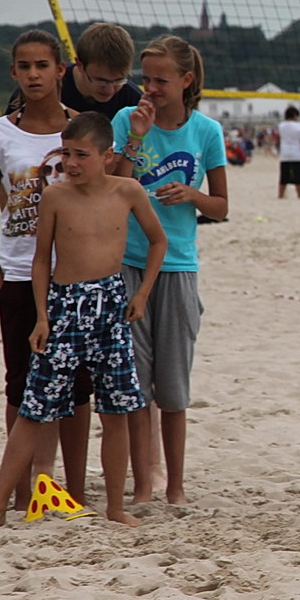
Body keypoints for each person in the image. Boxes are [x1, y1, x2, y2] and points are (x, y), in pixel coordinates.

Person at [0, 113, 166, 528]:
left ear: (107, 156)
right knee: (34, 407)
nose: (71, 163)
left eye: (82, 155)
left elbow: (158, 240)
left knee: (115, 410)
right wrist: (42, 316)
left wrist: (142, 293)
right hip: (64, 307)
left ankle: (115, 507)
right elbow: (41, 259)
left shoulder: (128, 191)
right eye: (66, 153)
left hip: (111, 306)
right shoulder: (56, 196)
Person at [111, 36, 228, 505]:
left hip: (178, 265)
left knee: (174, 387)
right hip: (128, 262)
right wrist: (137, 136)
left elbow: (221, 206)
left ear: (186, 80)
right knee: (136, 385)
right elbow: (113, 184)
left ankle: (175, 488)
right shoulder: (127, 119)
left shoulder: (206, 131)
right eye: (147, 79)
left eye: (161, 80)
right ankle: (143, 486)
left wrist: (192, 195)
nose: (151, 88)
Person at [0, 30, 85, 508]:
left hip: (75, 274)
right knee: (20, 384)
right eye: (24, 66)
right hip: (19, 271)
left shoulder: (83, 129)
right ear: (14, 73)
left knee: (77, 387)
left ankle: (72, 490)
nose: (34, 74)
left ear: (61, 70)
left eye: (43, 65)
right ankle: (23, 493)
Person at [3, 21, 141, 119]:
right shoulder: (42, 88)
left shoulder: (132, 99)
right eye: (101, 81)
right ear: (80, 65)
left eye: (118, 81)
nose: (110, 90)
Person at [277, 105, 300, 199]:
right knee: (298, 176)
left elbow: (279, 138)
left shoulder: (281, 126)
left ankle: (280, 194)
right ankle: (299, 195)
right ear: (295, 115)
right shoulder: (299, 126)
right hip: (297, 153)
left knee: (284, 176)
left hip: (285, 153)